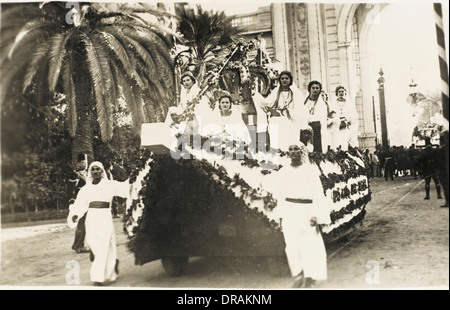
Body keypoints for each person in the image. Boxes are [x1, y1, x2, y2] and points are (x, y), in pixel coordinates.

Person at [264, 144, 330, 288]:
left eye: (296, 149)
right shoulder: (283, 172)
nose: (293, 151)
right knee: (292, 245)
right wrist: (280, 215)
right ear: (288, 153)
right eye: (291, 149)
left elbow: (318, 193)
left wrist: (315, 214)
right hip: (289, 211)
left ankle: (311, 277)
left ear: (302, 152)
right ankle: (298, 274)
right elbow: (279, 195)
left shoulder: (310, 170)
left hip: (307, 211)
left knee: (310, 245)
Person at [67, 161, 130, 286]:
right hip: (91, 219)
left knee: (102, 246)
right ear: (90, 172)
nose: (95, 171)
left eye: (98, 169)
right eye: (93, 169)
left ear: (102, 172)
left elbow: (125, 188)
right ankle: (112, 264)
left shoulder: (109, 185)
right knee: (94, 244)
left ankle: (97, 277)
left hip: (104, 217)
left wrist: (135, 178)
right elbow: (80, 204)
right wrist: (75, 215)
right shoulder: (86, 188)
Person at [252, 70, 308, 151]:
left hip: (291, 120)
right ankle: (278, 152)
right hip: (277, 119)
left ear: (290, 80)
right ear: (280, 80)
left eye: (286, 78)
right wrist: (256, 96)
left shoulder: (296, 93)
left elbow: (299, 109)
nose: (284, 80)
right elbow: (267, 102)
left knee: (288, 130)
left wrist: (288, 111)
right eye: (282, 78)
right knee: (274, 127)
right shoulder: (276, 91)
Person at [68, 153, 89, 254]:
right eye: (83, 162)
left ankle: (76, 244)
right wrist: (72, 202)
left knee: (82, 223)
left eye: (85, 162)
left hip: (86, 202)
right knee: (82, 223)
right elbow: (71, 189)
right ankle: (79, 246)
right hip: (79, 202)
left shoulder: (86, 174)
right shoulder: (75, 174)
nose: (85, 164)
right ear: (79, 163)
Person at [304, 80, 332, 153]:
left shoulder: (322, 104)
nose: (315, 90)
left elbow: (322, 118)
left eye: (317, 88)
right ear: (309, 89)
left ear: (320, 90)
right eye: (313, 88)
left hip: (317, 129)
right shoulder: (304, 101)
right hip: (305, 127)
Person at [329, 86, 359, 151]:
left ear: (345, 93)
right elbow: (330, 115)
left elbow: (353, 115)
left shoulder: (349, 104)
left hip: (345, 127)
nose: (341, 93)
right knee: (336, 143)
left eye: (342, 91)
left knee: (345, 142)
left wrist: (347, 120)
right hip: (336, 127)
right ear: (336, 93)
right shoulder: (332, 104)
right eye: (339, 91)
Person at [437, 130, 449, 207]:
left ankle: (448, 202)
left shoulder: (441, 150)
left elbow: (439, 163)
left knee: (446, 187)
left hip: (444, 172)